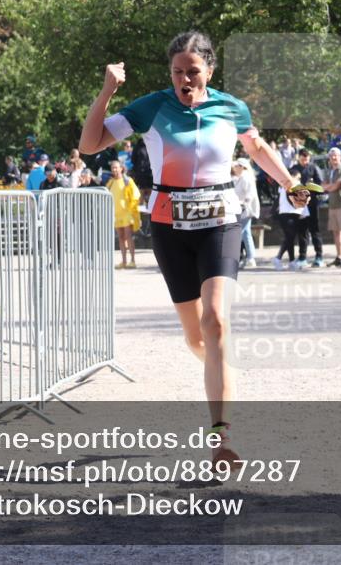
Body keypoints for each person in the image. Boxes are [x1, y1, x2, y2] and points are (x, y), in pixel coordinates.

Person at [77, 32, 301, 469]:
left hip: (221, 222)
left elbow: (256, 148)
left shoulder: (232, 107)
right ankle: (221, 367)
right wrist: (106, 92)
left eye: (193, 72)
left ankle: (221, 437)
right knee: (198, 337)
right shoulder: (151, 106)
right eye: (177, 72)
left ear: (209, 72)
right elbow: (89, 145)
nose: (184, 80)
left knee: (216, 320)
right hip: (169, 227)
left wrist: (290, 183)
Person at [289, 148, 324, 266]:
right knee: (301, 231)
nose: (305, 161)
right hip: (299, 204)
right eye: (303, 159)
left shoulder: (313, 168)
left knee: (315, 230)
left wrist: (311, 186)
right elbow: (288, 185)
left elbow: (320, 185)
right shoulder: (294, 169)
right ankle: (302, 257)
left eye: (307, 159)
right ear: (298, 157)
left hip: (312, 203)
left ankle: (319, 256)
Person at [106, 160, 140, 269]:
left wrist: (132, 210)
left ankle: (132, 260)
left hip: (127, 213)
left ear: (121, 168)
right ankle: (124, 261)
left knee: (128, 236)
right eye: (113, 168)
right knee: (121, 238)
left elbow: (136, 194)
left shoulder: (127, 180)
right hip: (116, 214)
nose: (114, 169)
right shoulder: (110, 182)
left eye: (116, 167)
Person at [274, 174, 310, 270]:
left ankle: (291, 261)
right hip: (291, 213)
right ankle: (278, 258)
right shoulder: (294, 185)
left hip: (286, 213)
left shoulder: (283, 186)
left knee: (290, 238)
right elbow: (301, 200)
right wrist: (305, 213)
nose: (299, 179)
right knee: (289, 238)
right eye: (298, 177)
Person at [323, 147, 341, 267]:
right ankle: (339, 256)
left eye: (336, 155)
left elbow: (336, 186)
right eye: (331, 155)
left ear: (340, 157)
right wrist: (330, 186)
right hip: (332, 204)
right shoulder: (329, 170)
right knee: (335, 232)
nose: (333, 157)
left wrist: (329, 186)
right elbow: (323, 186)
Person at [232, 158, 260, 268]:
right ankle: (248, 258)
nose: (234, 167)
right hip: (239, 209)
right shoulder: (237, 178)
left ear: (242, 167)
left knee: (242, 233)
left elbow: (250, 194)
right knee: (245, 233)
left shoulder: (246, 177)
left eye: (236, 166)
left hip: (246, 209)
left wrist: (244, 203)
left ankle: (249, 258)